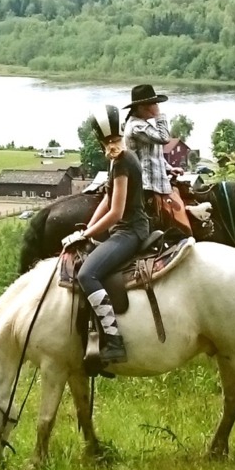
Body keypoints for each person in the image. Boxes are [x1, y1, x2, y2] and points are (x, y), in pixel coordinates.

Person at [61, 105, 148, 367]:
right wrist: (85, 230)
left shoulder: (122, 162)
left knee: (88, 274)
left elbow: (117, 211)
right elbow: (107, 199)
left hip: (130, 230)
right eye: (108, 141)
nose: (110, 145)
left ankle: (113, 339)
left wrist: (86, 233)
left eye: (111, 140)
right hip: (123, 229)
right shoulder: (117, 158)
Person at [122, 84, 192, 236]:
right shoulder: (136, 127)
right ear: (142, 107)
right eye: (154, 103)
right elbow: (164, 138)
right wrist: (160, 116)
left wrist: (169, 168)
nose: (157, 106)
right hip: (147, 187)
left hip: (157, 184)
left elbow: (152, 155)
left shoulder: (143, 125)